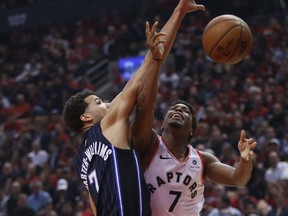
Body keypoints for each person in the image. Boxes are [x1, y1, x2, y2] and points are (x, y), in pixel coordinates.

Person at [131, 4, 257, 216]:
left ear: (192, 130)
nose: (177, 110)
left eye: (185, 111)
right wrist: (155, 61)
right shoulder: (149, 145)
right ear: (161, 124)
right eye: (173, 109)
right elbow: (145, 106)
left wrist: (244, 160)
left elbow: (238, 178)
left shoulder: (202, 159)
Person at [61, 16, 169, 215]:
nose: (108, 104)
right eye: (98, 102)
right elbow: (140, 77)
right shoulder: (105, 126)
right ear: (86, 117)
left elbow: (95, 207)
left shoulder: (81, 160)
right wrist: (154, 55)